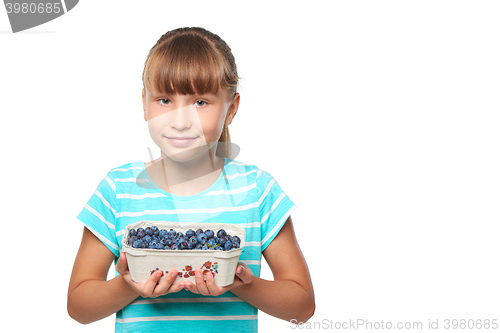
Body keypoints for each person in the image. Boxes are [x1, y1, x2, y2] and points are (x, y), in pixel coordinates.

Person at [67, 27, 315, 332]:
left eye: (200, 102)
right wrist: (129, 284)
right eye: (164, 100)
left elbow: (302, 306)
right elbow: (79, 306)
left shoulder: (257, 191)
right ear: (144, 103)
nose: (181, 121)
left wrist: (240, 283)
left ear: (231, 108)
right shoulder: (118, 189)